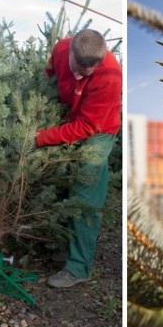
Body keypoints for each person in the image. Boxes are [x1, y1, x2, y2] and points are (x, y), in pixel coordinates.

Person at [36, 29, 122, 288]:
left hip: (99, 130)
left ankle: (79, 267)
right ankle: (67, 247)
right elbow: (50, 72)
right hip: (68, 119)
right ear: (70, 50)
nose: (76, 76)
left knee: (85, 194)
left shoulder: (111, 76)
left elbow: (87, 127)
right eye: (74, 68)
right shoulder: (61, 48)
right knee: (63, 187)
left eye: (85, 74)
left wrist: (40, 137)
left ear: (100, 60)